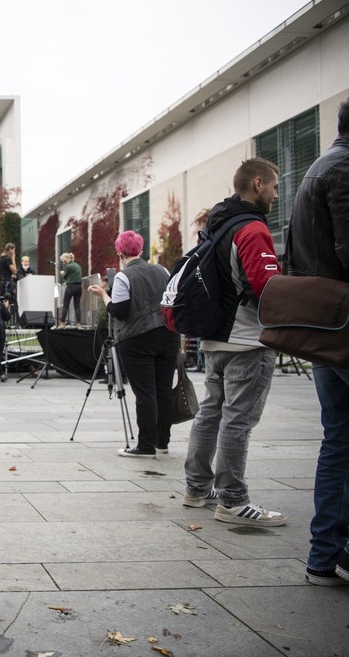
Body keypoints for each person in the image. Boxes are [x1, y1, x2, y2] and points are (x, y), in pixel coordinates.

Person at [182, 157, 285, 527]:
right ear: (257, 183)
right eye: (274, 185)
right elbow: (266, 288)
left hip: (216, 338)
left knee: (211, 413)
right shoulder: (252, 228)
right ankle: (234, 500)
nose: (277, 191)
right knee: (237, 420)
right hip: (247, 339)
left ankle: (197, 487)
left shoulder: (216, 224)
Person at [285, 98, 349, 586]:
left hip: (327, 325)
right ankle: (330, 551)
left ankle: (326, 553)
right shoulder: (343, 167)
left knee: (337, 439)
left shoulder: (317, 166)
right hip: (343, 322)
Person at [88, 231, 180, 458]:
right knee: (164, 390)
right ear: (140, 250)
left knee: (145, 392)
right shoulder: (163, 271)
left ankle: (145, 445)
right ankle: (162, 442)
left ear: (120, 253)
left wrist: (103, 295)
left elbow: (120, 311)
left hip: (137, 339)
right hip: (168, 335)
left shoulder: (123, 277)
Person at [58, 252, 82, 329]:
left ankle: (62, 323)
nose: (64, 263)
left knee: (65, 305)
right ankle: (79, 324)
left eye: (64, 261)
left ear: (68, 259)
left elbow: (64, 277)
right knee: (77, 306)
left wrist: (62, 273)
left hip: (70, 287)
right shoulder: (77, 266)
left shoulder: (69, 267)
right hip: (79, 287)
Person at [0, 243, 18, 325]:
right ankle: (15, 322)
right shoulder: (8, 259)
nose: (14, 251)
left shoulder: (0, 259)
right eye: (13, 250)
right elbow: (15, 270)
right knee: (12, 301)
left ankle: (2, 321)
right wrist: (13, 259)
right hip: (7, 283)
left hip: (1, 283)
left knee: (2, 302)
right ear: (10, 249)